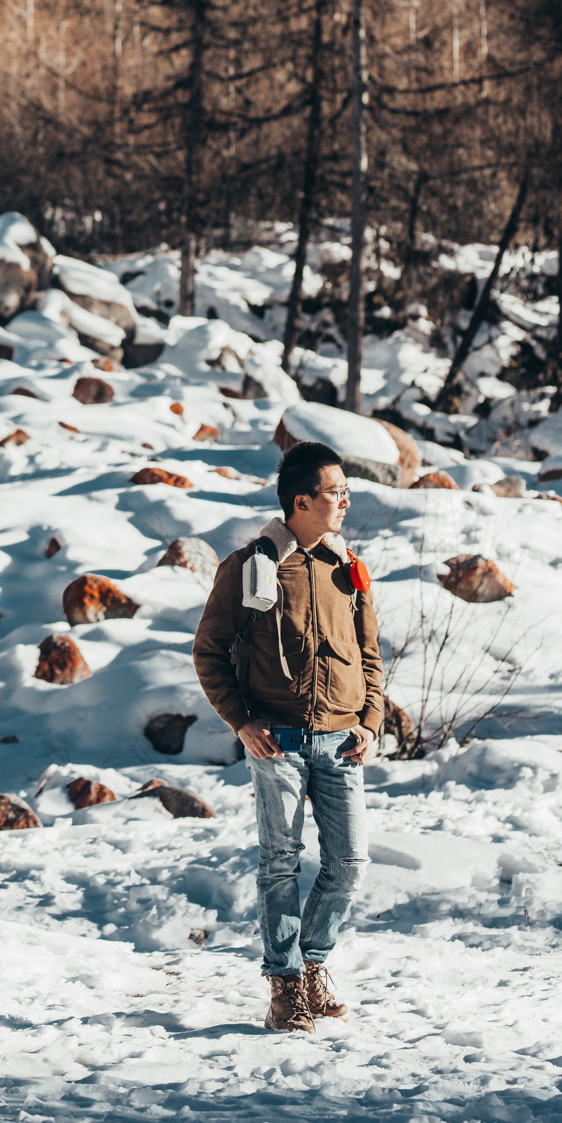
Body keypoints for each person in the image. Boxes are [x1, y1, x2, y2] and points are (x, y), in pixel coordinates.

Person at [192, 439, 382, 1033]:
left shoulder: (347, 567)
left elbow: (370, 655)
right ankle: (285, 985)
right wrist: (241, 721)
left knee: (349, 863)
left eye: (346, 491)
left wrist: (371, 721)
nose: (345, 501)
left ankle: (311, 963)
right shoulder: (251, 566)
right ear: (301, 501)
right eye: (336, 492)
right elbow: (209, 651)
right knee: (280, 863)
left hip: (342, 741)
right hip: (277, 741)